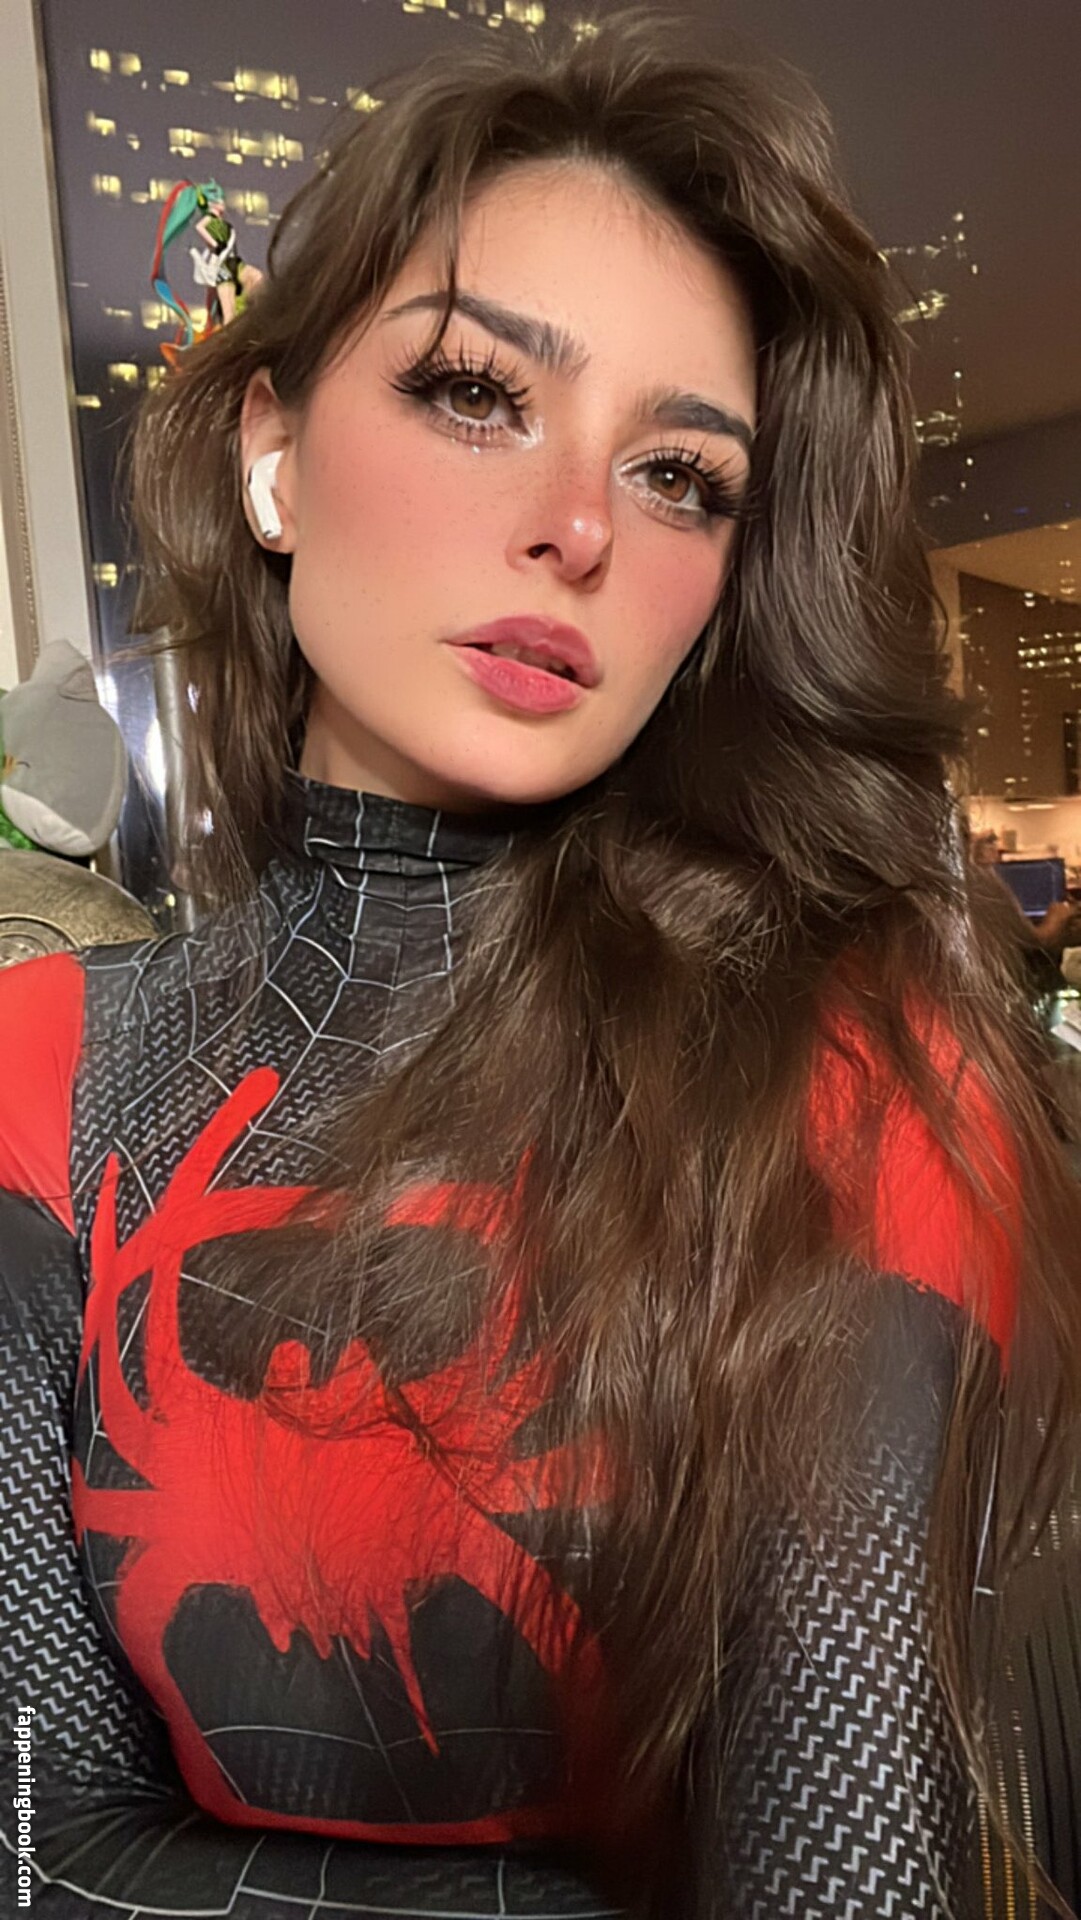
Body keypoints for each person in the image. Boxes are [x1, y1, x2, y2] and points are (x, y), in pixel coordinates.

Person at [2, 9, 1081, 1915]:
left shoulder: (847, 1084)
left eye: (681, 477)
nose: (577, 526)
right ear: (273, 454)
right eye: (475, 392)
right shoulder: (41, 1069)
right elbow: (35, 1838)